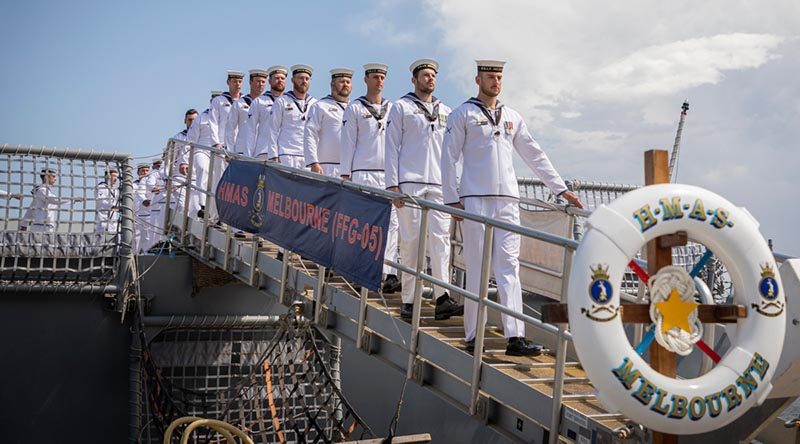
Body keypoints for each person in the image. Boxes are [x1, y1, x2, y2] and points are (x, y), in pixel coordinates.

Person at [441, 60, 584, 356]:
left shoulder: (512, 117)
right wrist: (451, 199)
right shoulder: (463, 114)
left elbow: (534, 153)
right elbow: (447, 158)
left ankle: (515, 337)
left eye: (499, 77)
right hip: (475, 199)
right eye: (490, 76)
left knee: (509, 268)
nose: (496, 81)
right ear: (478, 79)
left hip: (507, 199)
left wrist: (560, 188)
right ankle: (472, 334)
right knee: (478, 268)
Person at [386, 58, 462, 321]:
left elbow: (452, 154)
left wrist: (453, 189)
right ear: (414, 79)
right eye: (425, 75)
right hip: (411, 183)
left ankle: (442, 298)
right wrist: (393, 184)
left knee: (441, 243)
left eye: (433, 75)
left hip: (439, 184)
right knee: (411, 243)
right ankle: (409, 299)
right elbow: (391, 146)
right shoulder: (401, 107)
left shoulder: (446, 110)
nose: (430, 79)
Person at [341, 63, 400, 293]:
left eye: (382, 77)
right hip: (362, 171)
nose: (379, 81)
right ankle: (360, 269)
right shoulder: (355, 108)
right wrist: (346, 173)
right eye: (375, 77)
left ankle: (388, 272)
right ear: (366, 79)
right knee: (363, 223)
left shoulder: (392, 107)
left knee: (392, 224)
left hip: (386, 174)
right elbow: (348, 141)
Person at [261, 64, 316, 167]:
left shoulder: (315, 104)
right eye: (300, 78)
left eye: (307, 79)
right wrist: (273, 155)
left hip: (307, 156)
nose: (304, 81)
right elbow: (273, 130)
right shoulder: (282, 101)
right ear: (292, 80)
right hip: (286, 154)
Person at [303, 67, 353, 177]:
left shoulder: (355, 108)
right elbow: (310, 134)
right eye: (341, 82)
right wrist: (313, 162)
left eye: (348, 82)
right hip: (326, 167)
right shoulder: (320, 106)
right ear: (332, 84)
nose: (345, 84)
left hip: (350, 168)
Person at [186, 92, 220, 219]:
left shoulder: (225, 117)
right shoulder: (201, 118)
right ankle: (203, 205)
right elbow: (190, 141)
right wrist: (185, 161)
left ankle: (216, 213)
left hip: (219, 152)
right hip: (202, 150)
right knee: (203, 169)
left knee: (217, 181)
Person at [227, 69, 268, 154]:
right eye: (258, 81)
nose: (260, 84)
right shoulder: (239, 103)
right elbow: (230, 128)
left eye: (263, 82)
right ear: (250, 82)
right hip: (242, 148)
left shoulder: (269, 104)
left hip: (261, 150)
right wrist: (229, 149)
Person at [250, 65, 288, 158]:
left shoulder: (290, 101)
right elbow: (250, 130)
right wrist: (248, 154)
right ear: (270, 81)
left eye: (282, 78)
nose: (280, 80)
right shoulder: (259, 101)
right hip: (264, 151)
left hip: (285, 152)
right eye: (277, 78)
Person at [132, 163, 151, 253]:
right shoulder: (133, 186)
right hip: (136, 216)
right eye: (142, 171)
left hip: (148, 216)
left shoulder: (151, 185)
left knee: (148, 239)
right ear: (138, 172)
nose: (145, 172)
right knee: (136, 239)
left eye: (147, 170)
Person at [94, 168, 120, 235]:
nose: (115, 179)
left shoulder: (115, 190)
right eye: (113, 176)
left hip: (113, 220)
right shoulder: (100, 187)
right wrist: (113, 206)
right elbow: (101, 201)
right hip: (102, 220)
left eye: (116, 176)